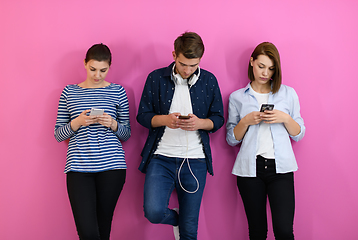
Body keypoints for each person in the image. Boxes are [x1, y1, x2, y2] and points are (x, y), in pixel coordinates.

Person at [137, 32, 224, 240]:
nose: (187, 70)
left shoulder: (209, 80)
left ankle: (183, 221)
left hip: (195, 161)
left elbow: (219, 118)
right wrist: (165, 120)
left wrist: (200, 123)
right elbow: (142, 115)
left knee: (189, 230)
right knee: (153, 212)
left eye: (193, 65)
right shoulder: (156, 78)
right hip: (161, 159)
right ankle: (176, 217)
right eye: (183, 63)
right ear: (174, 54)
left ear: (200, 60)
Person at [226, 42, 305, 240]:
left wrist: (285, 118)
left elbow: (299, 134)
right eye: (261, 66)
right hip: (250, 170)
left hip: (281, 169)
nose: (265, 73)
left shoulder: (288, 94)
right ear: (251, 62)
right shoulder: (237, 97)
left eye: (271, 69)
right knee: (258, 232)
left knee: (285, 231)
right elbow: (231, 139)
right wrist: (246, 121)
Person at [54, 43, 131, 240]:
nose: (97, 75)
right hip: (78, 167)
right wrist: (77, 122)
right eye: (93, 69)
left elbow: (126, 134)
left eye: (103, 70)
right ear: (85, 64)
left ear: (110, 67)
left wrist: (112, 124)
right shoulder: (69, 92)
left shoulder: (118, 92)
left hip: (112, 167)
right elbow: (58, 135)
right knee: (87, 232)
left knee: (103, 229)